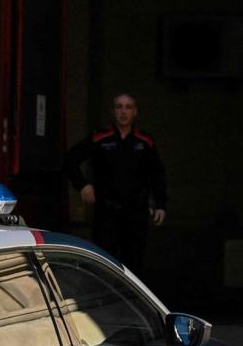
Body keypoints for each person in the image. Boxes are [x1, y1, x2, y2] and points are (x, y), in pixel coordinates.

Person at [64, 93, 168, 271]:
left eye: (128, 107)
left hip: (136, 213)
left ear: (135, 112)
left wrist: (160, 204)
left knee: (134, 263)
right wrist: (82, 185)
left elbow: (157, 173)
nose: (123, 111)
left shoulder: (145, 141)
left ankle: (130, 299)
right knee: (104, 263)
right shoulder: (100, 137)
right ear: (113, 111)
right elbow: (70, 159)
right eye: (119, 107)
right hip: (106, 212)